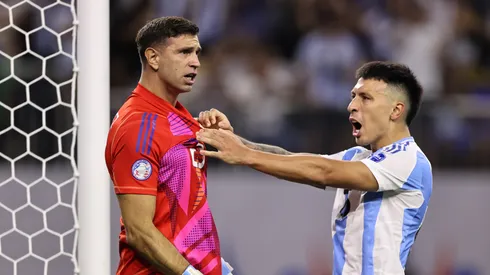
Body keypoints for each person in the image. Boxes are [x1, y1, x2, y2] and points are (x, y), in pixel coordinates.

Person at [196, 61, 432, 274]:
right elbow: (291, 159)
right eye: (353, 96)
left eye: (365, 98)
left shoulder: (408, 159)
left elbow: (323, 171)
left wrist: (245, 156)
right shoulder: (359, 157)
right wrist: (236, 141)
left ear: (396, 110)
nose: (351, 105)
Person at [105, 16, 232, 275]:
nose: (195, 62)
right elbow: (138, 231)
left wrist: (213, 265)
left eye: (197, 52)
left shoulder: (181, 119)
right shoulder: (137, 126)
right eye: (184, 52)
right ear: (153, 58)